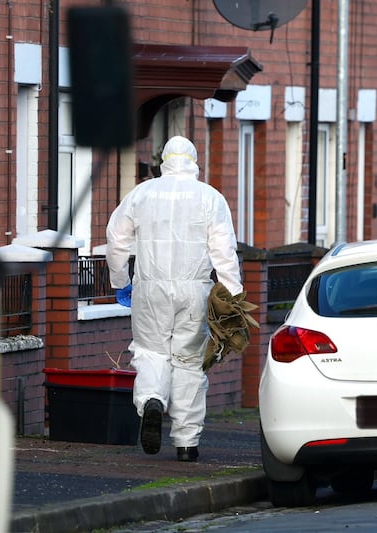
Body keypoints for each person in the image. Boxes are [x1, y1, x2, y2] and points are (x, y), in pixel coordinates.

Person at [105, 135, 243, 462]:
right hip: (194, 289)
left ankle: (152, 399)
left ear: (162, 160)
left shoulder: (141, 194)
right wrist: (232, 295)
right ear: (194, 161)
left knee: (151, 351)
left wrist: (120, 280)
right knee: (189, 361)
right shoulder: (210, 197)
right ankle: (186, 442)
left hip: (149, 288)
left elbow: (116, 239)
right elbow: (224, 251)